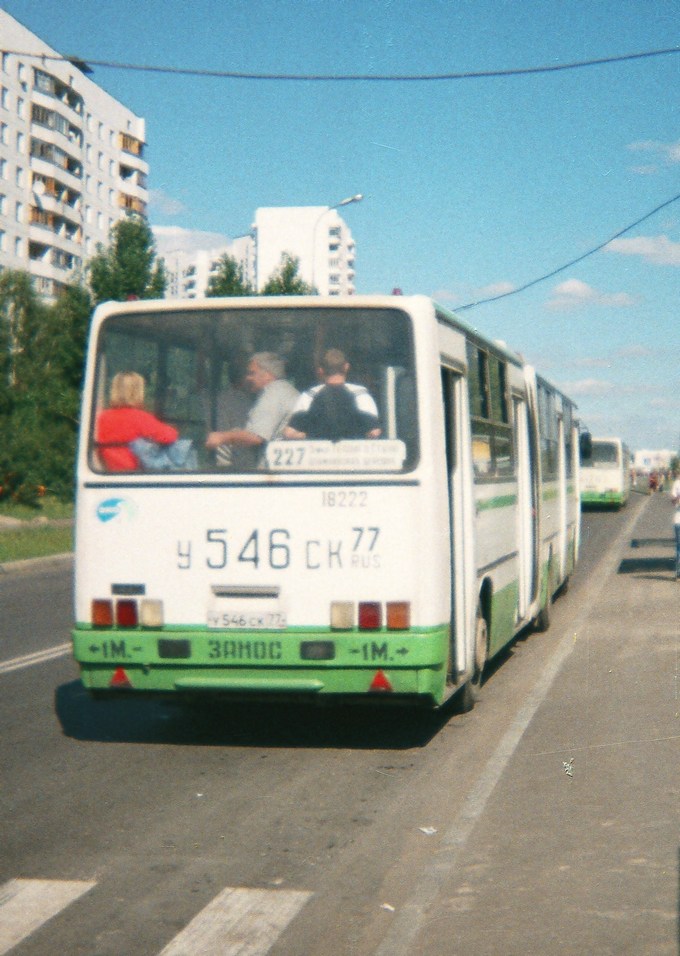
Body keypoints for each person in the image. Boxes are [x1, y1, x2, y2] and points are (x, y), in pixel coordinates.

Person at [205, 352, 299, 465]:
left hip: (273, 472)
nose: (248, 378)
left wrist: (222, 437)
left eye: (252, 373)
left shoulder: (274, 392)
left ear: (268, 373)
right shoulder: (286, 390)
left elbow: (256, 436)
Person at [283, 348, 381, 442]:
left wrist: (310, 435)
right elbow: (375, 432)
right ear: (346, 367)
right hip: (353, 456)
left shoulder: (309, 395)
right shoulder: (361, 395)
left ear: (320, 370)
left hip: (318, 456)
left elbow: (289, 433)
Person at [96, 371, 179, 472]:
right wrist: (173, 428)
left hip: (109, 470)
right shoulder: (139, 417)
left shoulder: (102, 417)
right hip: (134, 473)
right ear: (138, 392)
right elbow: (169, 436)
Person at [671, 473, 680, 579]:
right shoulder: (677, 483)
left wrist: (676, 499)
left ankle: (678, 574)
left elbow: (673, 501)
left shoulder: (677, 483)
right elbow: (673, 501)